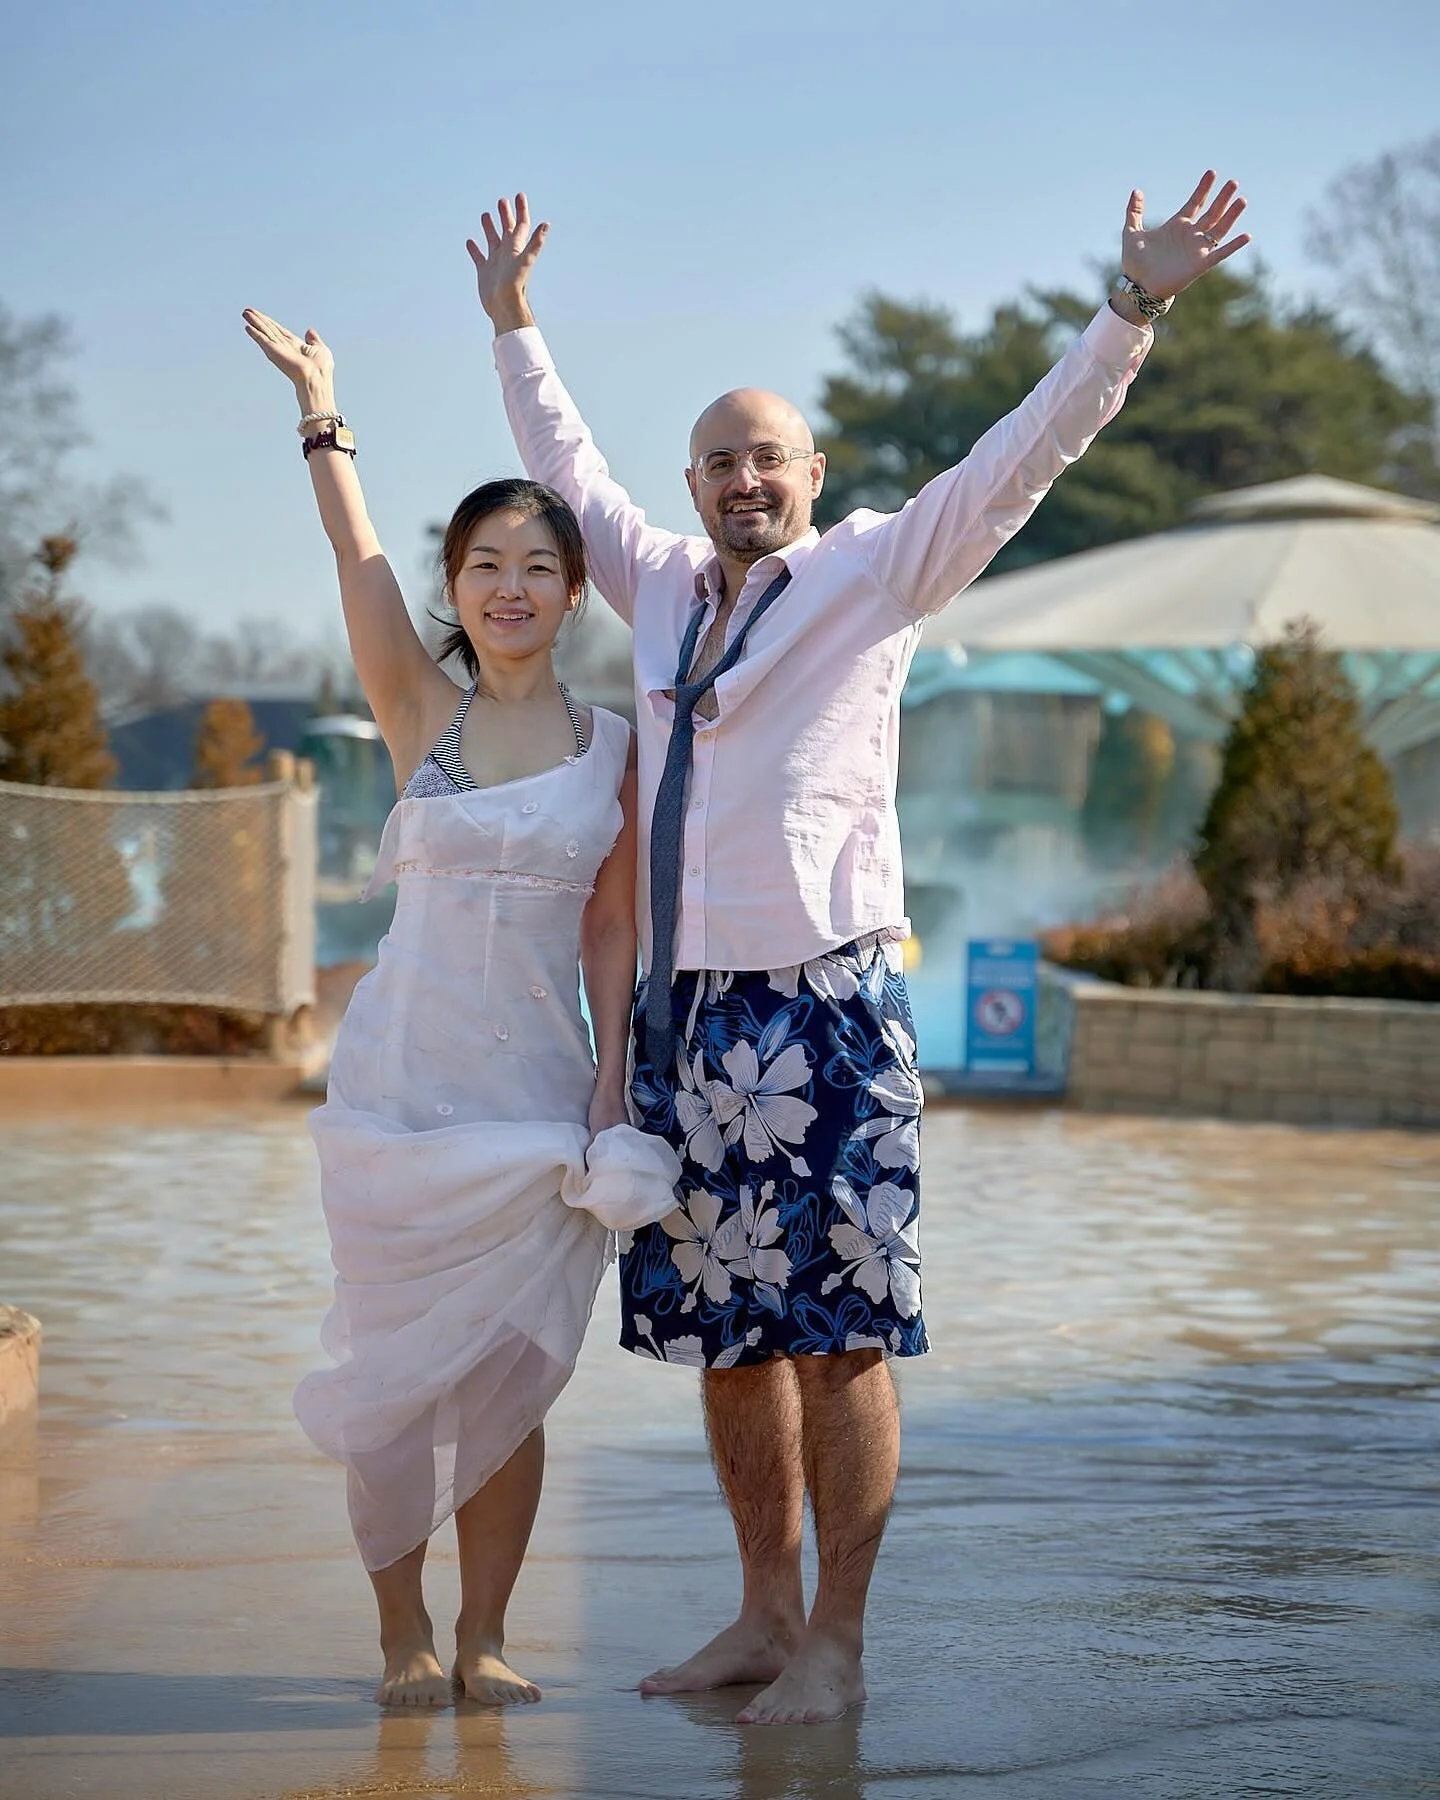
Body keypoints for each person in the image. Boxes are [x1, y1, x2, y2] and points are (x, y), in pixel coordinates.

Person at [467, 174, 1250, 1725]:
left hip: (825, 1004)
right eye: (719, 460)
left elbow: (1028, 454)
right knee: (726, 1342)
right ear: (694, 486)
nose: (742, 477)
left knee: (838, 1341)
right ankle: (761, 1616)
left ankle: (839, 1638)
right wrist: (514, 326)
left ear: (812, 474)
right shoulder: (664, 590)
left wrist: (1132, 311)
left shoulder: (878, 570)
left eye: (768, 455)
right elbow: (562, 463)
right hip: (691, 1022)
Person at [241, 309, 680, 1708]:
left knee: (510, 1379)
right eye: (486, 564)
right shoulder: (414, 711)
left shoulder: (613, 745)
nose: (510, 586)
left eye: (537, 566)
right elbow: (352, 559)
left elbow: (614, 926)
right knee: (389, 1382)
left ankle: (485, 1637)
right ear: (459, 582)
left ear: (571, 593)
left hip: (537, 1096)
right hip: (396, 1092)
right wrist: (325, 414)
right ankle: (398, 1638)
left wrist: (613, 1083)